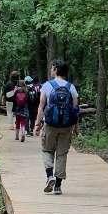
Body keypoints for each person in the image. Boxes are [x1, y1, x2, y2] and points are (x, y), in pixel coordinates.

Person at [35, 60, 79, 195]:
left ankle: (49, 177)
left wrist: (38, 124)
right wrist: (76, 126)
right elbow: (75, 109)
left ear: (56, 70)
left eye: (52, 67)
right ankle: (58, 186)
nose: (51, 69)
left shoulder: (48, 86)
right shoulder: (71, 87)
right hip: (66, 126)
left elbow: (41, 106)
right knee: (61, 154)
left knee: (47, 150)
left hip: (50, 125)